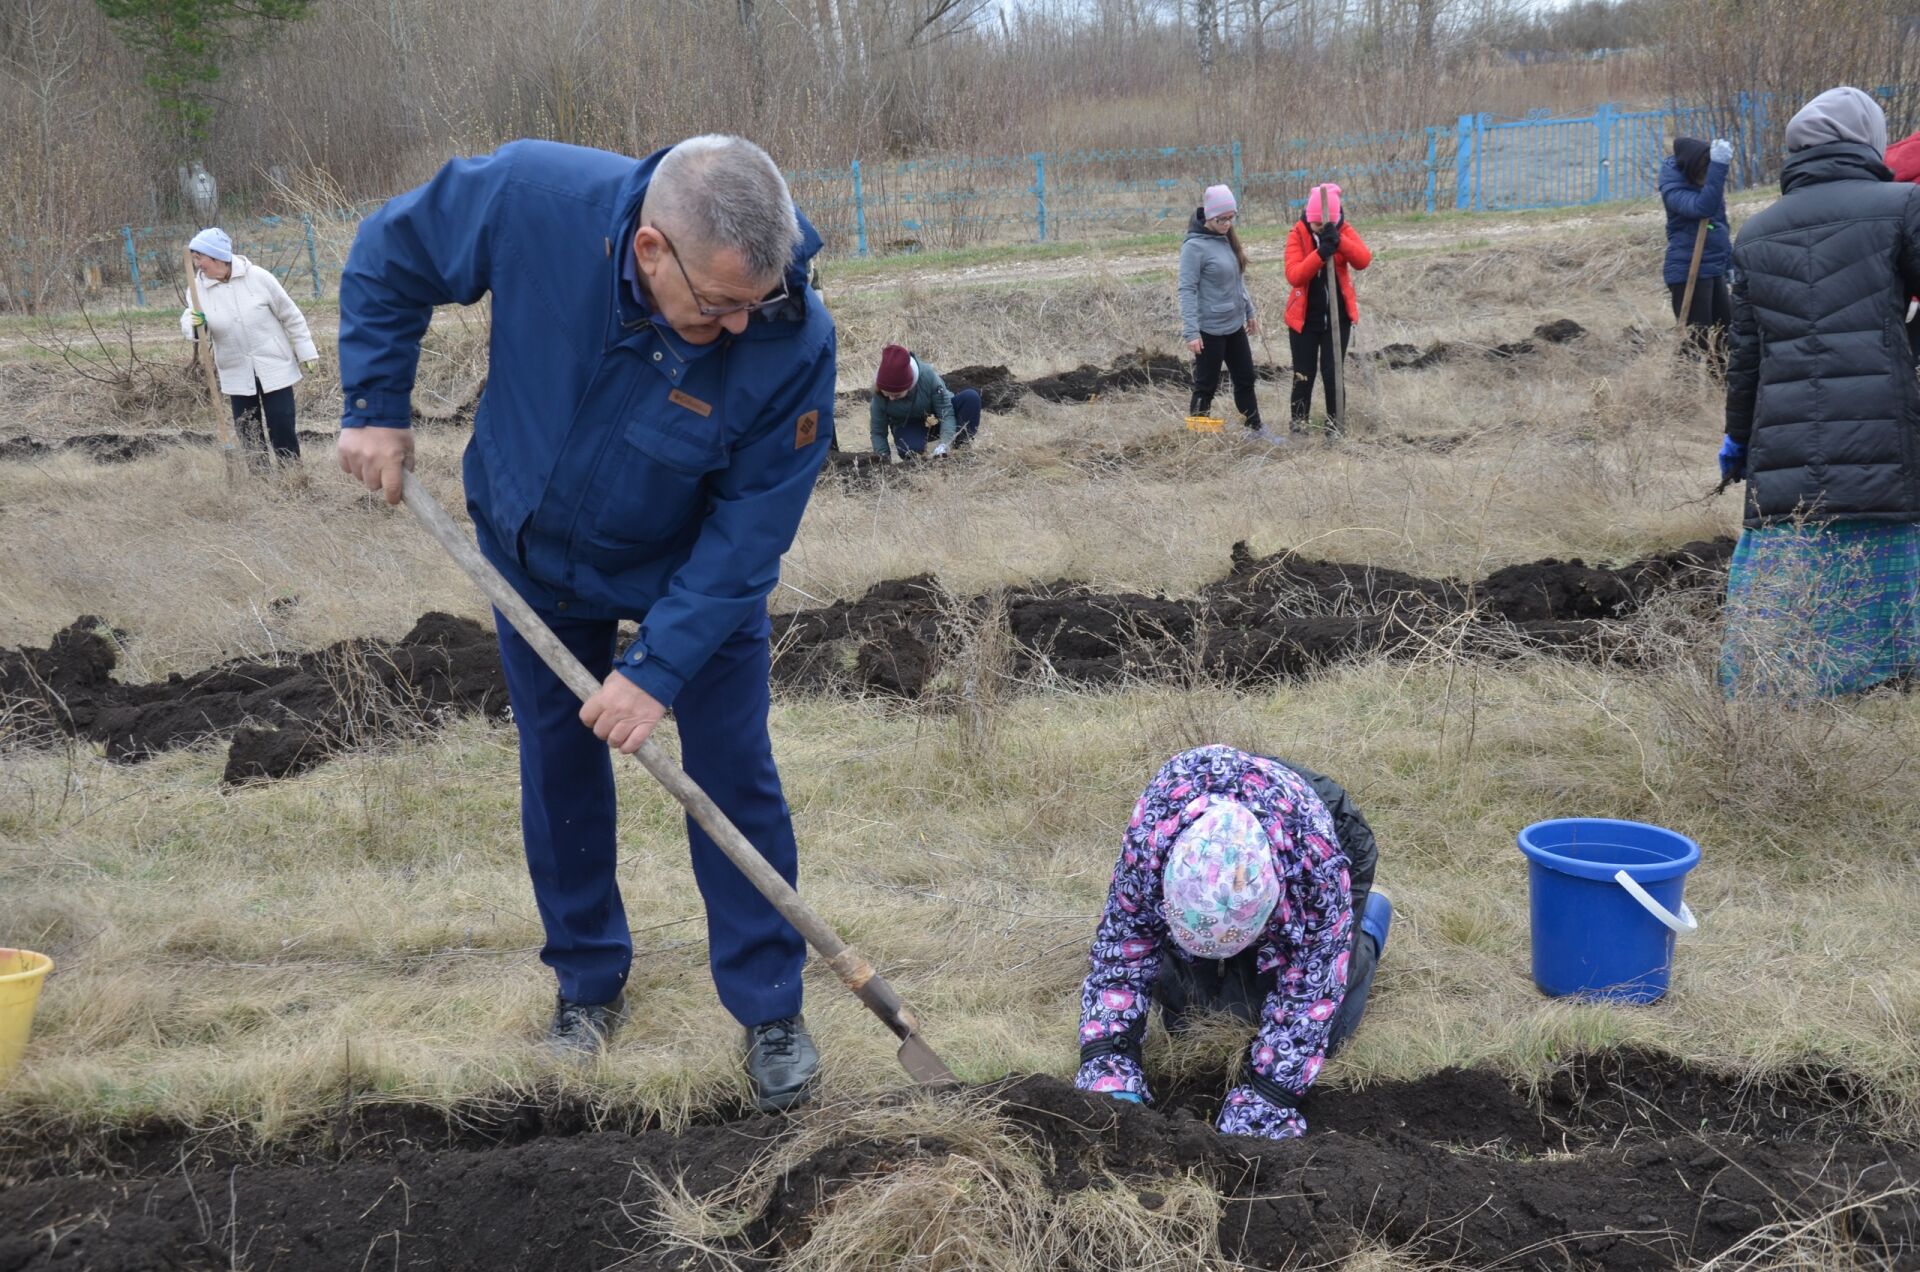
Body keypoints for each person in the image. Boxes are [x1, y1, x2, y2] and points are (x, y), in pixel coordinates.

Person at [333, 136, 837, 1111]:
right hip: (537, 554)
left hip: (693, 580)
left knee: (732, 775)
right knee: (559, 764)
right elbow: (389, 254)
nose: (740, 325)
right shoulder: (531, 200)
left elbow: (750, 534)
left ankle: (770, 1004)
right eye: (718, 304)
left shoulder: (790, 336)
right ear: (651, 249)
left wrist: (658, 669)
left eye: (755, 301)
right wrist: (374, 404)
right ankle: (587, 985)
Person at [1074, 745, 1392, 1140]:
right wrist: (1109, 1060)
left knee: (1330, 1029)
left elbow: (1312, 997)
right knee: (1184, 1014)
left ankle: (1369, 927)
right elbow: (1123, 950)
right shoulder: (1154, 834)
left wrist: (1267, 1100)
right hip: (1219, 807)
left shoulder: (1319, 871)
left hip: (1327, 828)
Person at [1720, 87, 1920, 698]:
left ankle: (1786, 675)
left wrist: (1737, 438)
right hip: (1885, 430)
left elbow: (1746, 358)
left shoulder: (1755, 231)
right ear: (1869, 140)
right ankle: (1896, 668)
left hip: (1785, 448)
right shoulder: (1904, 205)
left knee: (1798, 549)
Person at [180, 227, 319, 470]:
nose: (197, 265)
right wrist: (192, 324)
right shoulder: (197, 289)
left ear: (217, 258)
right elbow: (192, 325)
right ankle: (261, 482)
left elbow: (291, 316)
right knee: (248, 429)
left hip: (274, 364)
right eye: (194, 258)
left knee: (282, 423)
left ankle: (292, 479)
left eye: (200, 258)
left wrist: (306, 350)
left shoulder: (258, 278)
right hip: (235, 368)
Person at [1180, 185, 1274, 442]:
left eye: (1231, 218)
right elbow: (1186, 290)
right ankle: (1198, 438)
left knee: (1245, 378)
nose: (1227, 224)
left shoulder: (1226, 239)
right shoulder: (1194, 247)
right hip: (1209, 330)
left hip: (1234, 326)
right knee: (1206, 386)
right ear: (1209, 217)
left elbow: (1237, 281)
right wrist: (1191, 332)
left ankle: (1255, 431)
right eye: (1222, 219)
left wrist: (1249, 311)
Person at [1283, 183, 1372, 435]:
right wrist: (1321, 253)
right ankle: (1299, 426)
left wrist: (1339, 241)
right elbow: (1294, 274)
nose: (1320, 230)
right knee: (1303, 375)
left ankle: (1336, 427)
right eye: (1316, 226)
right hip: (1303, 321)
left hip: (1337, 319)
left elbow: (1363, 260)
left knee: (1333, 374)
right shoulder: (1298, 233)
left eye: (1324, 226)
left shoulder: (1342, 229)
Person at [1659, 136, 1734, 367]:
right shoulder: (1672, 187)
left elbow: (1719, 224)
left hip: (1712, 267)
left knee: (1725, 334)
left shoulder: (1705, 185)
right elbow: (1703, 208)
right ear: (1691, 168)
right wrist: (1719, 168)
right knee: (1697, 338)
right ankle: (1683, 393)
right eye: (1705, 172)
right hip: (1687, 269)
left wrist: (1729, 263)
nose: (1707, 179)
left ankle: (1721, 390)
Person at [869, 344, 980, 460]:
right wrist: (883, 458)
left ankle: (961, 448)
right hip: (910, 424)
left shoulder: (927, 376)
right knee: (909, 451)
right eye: (887, 394)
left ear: (910, 386)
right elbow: (878, 431)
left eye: (896, 395)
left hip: (939, 417)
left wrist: (944, 445)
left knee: (971, 398)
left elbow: (946, 413)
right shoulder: (878, 394)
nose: (891, 398)